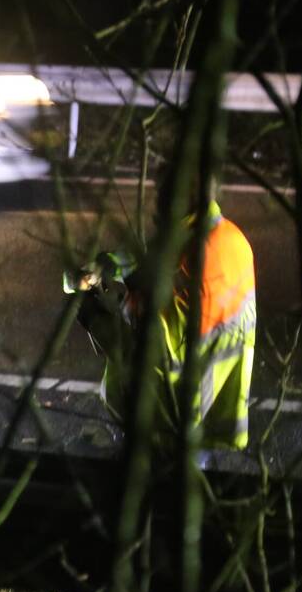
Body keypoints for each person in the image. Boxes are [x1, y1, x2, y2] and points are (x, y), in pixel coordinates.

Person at [67, 179, 256, 450]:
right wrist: (106, 264)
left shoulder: (183, 260)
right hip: (216, 410)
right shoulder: (229, 238)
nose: (155, 211)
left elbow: (151, 353)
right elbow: (151, 259)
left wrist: (93, 316)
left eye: (161, 198)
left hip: (170, 422)